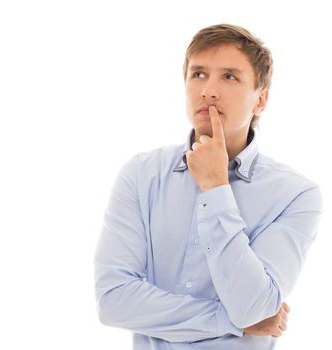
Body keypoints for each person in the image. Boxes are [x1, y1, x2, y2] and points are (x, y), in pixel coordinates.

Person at [94, 24, 322, 349]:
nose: (208, 90)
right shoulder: (141, 176)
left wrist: (216, 188)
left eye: (229, 76)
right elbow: (114, 300)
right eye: (198, 74)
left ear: (261, 100)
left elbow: (254, 306)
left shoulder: (296, 195)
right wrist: (230, 320)